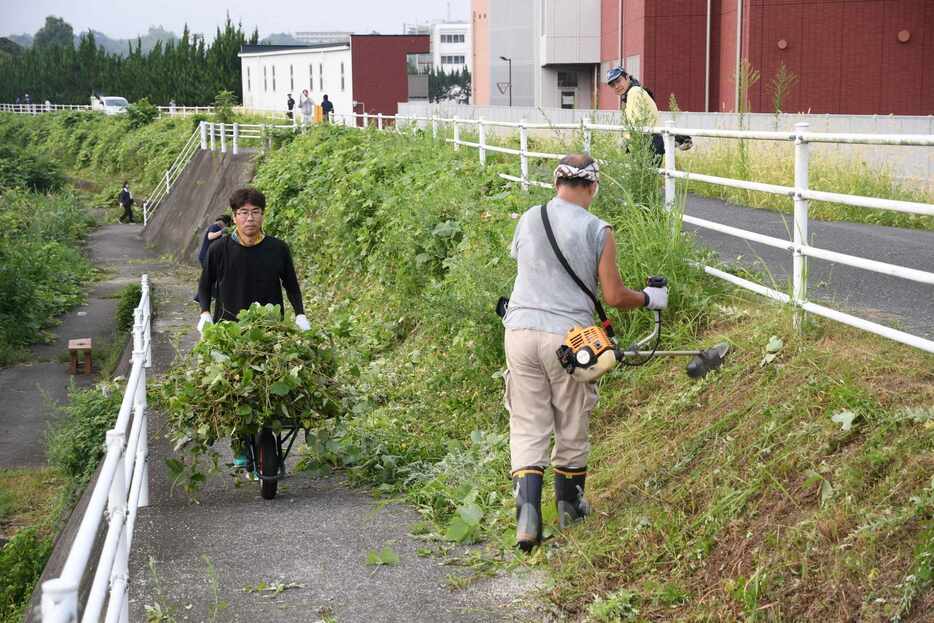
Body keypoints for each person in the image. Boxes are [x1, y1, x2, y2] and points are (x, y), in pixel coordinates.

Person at [502, 154, 668, 552]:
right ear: (593, 187)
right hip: (569, 340)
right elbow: (612, 296)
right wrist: (649, 298)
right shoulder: (599, 229)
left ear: (557, 183)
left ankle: (527, 514)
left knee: (528, 421)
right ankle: (570, 507)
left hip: (519, 331)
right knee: (572, 415)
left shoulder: (529, 217)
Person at [197, 188, 311, 474]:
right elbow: (204, 285)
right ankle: (239, 444)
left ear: (262, 215)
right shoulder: (219, 249)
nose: (250, 218)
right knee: (234, 390)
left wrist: (300, 314)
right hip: (229, 330)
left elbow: (291, 285)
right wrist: (205, 313)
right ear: (235, 217)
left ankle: (269, 442)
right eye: (244, 213)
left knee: (272, 385)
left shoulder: (277, 248)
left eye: (255, 212)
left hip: (270, 330)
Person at [193, 214, 233, 303]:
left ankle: (201, 297)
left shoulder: (217, 228)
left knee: (212, 277)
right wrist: (222, 231)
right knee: (211, 277)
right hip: (205, 256)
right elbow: (210, 236)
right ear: (225, 223)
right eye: (228, 225)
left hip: (208, 256)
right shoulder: (215, 226)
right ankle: (200, 297)